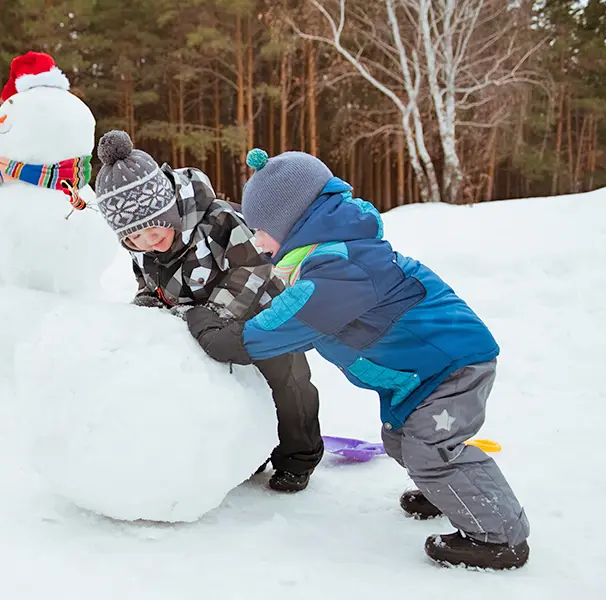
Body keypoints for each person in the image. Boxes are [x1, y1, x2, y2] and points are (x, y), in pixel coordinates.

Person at [185, 148, 530, 570]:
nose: (256, 240)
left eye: (260, 229)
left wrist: (219, 331)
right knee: (401, 441)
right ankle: (451, 490)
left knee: (429, 448)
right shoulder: (327, 256)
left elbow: (277, 327)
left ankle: (498, 538)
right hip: (421, 373)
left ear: (289, 222)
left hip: (451, 364)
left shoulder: (339, 266)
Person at [93, 131, 324, 492]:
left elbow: (254, 268)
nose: (149, 242)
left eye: (154, 229)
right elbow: (150, 284)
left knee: (288, 382)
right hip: (210, 329)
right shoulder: (145, 251)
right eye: (135, 238)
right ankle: (250, 450)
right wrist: (148, 307)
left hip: (265, 315)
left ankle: (299, 455)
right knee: (234, 390)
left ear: (168, 209)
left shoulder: (217, 221)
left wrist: (217, 313)